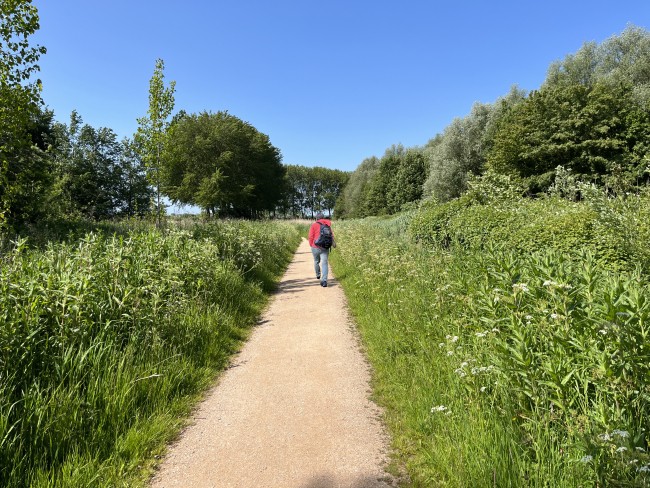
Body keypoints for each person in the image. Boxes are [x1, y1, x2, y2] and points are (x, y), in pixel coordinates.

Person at [308, 212, 335, 287]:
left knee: (316, 261)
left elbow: (310, 236)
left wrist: (311, 244)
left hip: (315, 246)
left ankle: (318, 275)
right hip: (325, 247)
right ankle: (324, 281)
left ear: (316, 218)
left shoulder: (313, 225)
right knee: (324, 263)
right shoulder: (327, 225)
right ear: (323, 218)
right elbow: (331, 235)